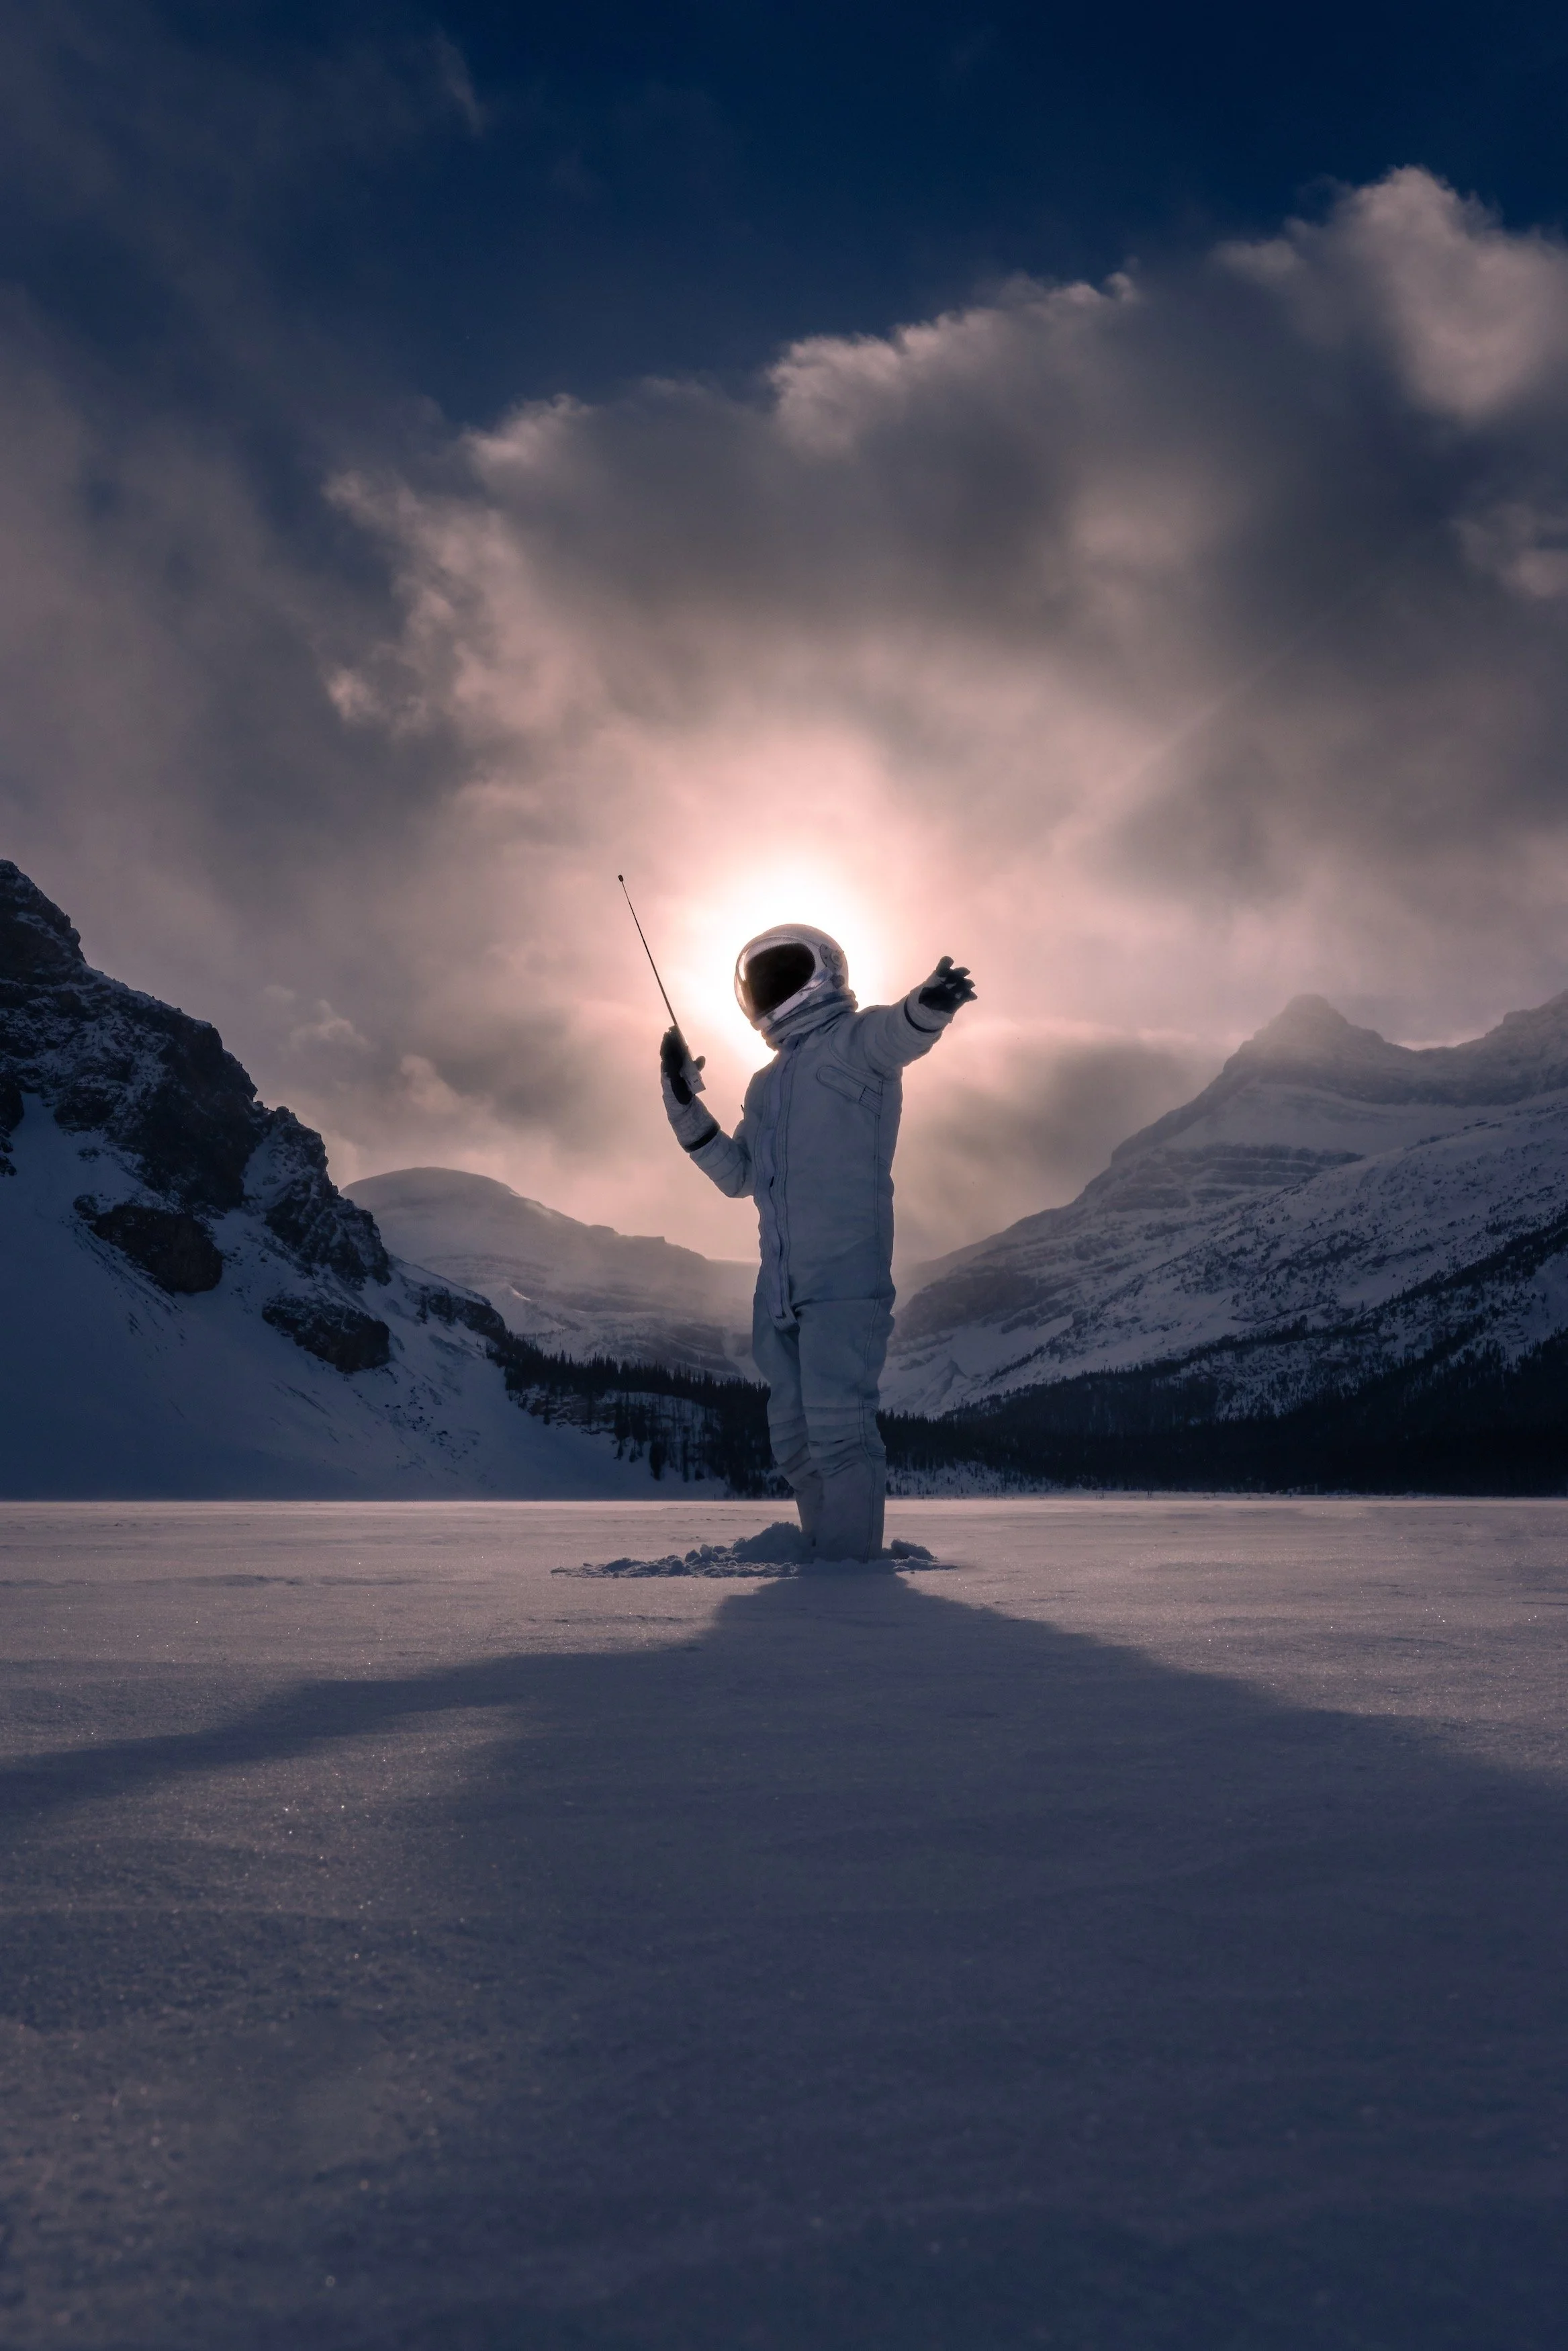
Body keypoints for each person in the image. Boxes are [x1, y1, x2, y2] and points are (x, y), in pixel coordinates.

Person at [660, 926, 976, 1566]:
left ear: (823, 970)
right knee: (795, 1441)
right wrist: (684, 1109)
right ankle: (822, 1553)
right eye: (763, 981)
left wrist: (929, 1005)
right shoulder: (765, 1084)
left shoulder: (853, 1045)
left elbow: (898, 1032)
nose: (773, 990)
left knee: (840, 1429)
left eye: (784, 973)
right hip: (778, 1284)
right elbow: (740, 1176)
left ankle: (848, 1576)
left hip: (844, 1276)